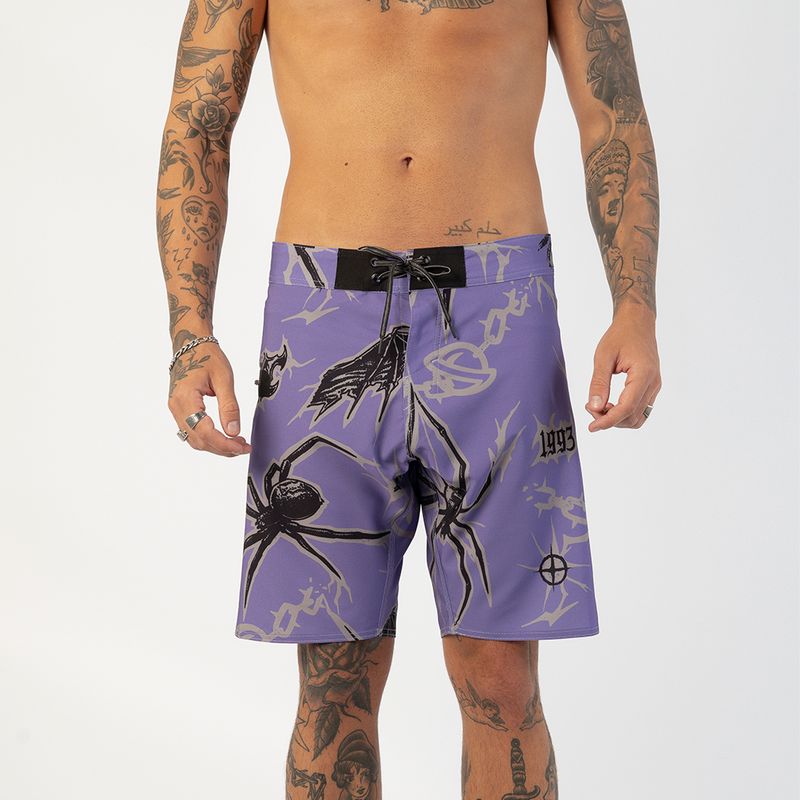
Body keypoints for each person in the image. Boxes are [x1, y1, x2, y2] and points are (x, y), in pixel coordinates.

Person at [156, 1, 661, 796]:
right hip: (323, 308)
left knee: (501, 678)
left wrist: (635, 307)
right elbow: (199, 123)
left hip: (499, 308)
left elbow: (613, 115)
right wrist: (191, 333)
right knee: (335, 684)